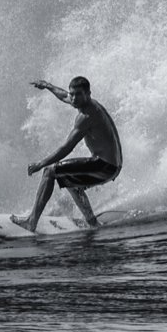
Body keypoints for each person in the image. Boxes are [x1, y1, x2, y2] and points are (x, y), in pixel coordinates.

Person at [17, 76, 123, 232]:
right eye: (72, 94)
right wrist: (47, 85)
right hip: (113, 165)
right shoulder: (83, 102)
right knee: (69, 179)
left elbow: (66, 148)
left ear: (88, 94)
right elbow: (64, 96)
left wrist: (40, 164)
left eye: (78, 94)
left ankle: (31, 222)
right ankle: (92, 222)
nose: (73, 98)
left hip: (105, 166)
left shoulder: (87, 116)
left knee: (50, 171)